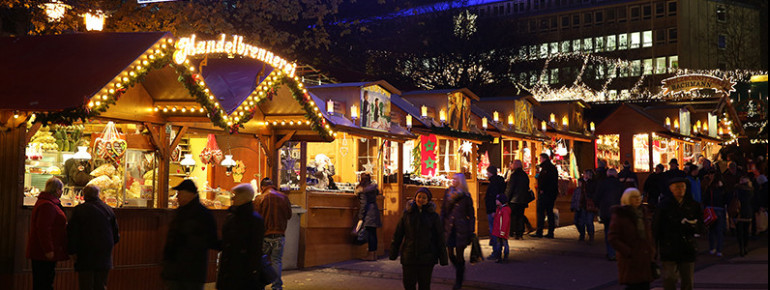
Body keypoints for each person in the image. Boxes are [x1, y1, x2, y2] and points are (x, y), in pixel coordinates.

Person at [162, 179, 220, 290]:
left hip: (191, 272)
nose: (177, 196)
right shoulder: (182, 212)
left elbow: (210, 240)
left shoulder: (202, 214)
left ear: (189, 194)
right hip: (178, 271)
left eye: (180, 193)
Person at [389, 187, 448, 290]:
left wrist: (443, 257)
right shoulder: (407, 214)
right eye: (419, 196)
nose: (421, 199)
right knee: (408, 284)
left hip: (427, 257)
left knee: (424, 285)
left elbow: (440, 237)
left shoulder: (433, 216)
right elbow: (398, 234)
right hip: (409, 256)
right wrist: (393, 252)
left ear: (428, 200)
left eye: (424, 197)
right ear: (415, 197)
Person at [653, 177, 704, 290]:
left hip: (687, 247)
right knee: (669, 278)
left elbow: (701, 225)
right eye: (677, 187)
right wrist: (655, 248)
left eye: (682, 187)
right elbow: (656, 227)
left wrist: (693, 226)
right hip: (669, 246)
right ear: (671, 189)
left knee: (687, 280)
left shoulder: (693, 205)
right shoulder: (663, 206)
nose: (680, 189)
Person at [67, 185, 119, 290]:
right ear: (98, 194)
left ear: (84, 195)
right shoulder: (108, 209)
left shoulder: (79, 210)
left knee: (86, 285)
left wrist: (72, 251)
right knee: (101, 285)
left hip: (85, 255)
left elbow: (72, 233)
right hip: (104, 255)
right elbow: (116, 235)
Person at [217, 184, 266, 289]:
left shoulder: (251, 220)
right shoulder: (233, 216)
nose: (232, 198)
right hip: (234, 272)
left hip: (241, 273)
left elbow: (255, 250)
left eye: (235, 195)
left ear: (244, 197)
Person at [608, 188, 655, 290]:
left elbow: (647, 234)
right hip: (631, 259)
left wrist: (651, 250)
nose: (638, 199)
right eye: (634, 197)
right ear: (627, 199)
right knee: (634, 285)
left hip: (644, 256)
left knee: (644, 284)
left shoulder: (643, 213)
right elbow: (613, 237)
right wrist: (628, 251)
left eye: (639, 196)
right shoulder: (620, 215)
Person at [27, 177, 68, 290]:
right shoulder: (48, 205)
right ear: (57, 190)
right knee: (44, 282)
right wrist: (48, 249)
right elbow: (43, 229)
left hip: (42, 251)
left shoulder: (46, 202)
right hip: (43, 252)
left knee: (43, 281)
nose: (61, 192)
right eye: (61, 190)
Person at [254, 178, 292, 290]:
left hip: (265, 236)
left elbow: (256, 217)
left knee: (261, 261)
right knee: (276, 261)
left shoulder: (260, 198)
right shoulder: (284, 197)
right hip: (279, 235)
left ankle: (260, 285)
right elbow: (289, 215)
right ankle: (277, 286)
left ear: (262, 187)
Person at [441, 173, 475, 290]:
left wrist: (471, 230)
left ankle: (459, 280)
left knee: (460, 255)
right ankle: (460, 269)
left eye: (455, 179)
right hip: (449, 228)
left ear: (460, 181)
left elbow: (471, 214)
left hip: (461, 228)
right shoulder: (448, 193)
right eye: (453, 179)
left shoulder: (466, 196)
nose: (453, 181)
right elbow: (443, 210)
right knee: (450, 254)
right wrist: (441, 225)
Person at [596, 168, 624, 261]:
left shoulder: (602, 184)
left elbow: (597, 197)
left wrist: (599, 206)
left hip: (605, 211)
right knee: (617, 232)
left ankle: (611, 252)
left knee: (608, 230)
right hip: (617, 211)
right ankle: (617, 252)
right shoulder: (620, 184)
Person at [354, 173, 382, 261]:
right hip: (374, 210)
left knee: (370, 234)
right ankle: (374, 254)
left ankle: (370, 254)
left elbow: (364, 204)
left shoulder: (362, 190)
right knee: (373, 234)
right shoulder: (372, 189)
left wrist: (361, 217)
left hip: (369, 213)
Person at [532, 153, 559, 239]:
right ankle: (550, 232)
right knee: (549, 212)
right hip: (552, 193)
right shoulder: (552, 168)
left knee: (541, 212)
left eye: (540, 159)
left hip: (545, 193)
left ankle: (540, 231)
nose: (539, 160)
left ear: (544, 159)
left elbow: (544, 180)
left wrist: (541, 189)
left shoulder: (546, 168)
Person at [701, 168, 727, 257]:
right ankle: (717, 249)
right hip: (718, 208)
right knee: (717, 230)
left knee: (713, 230)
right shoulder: (719, 185)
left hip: (712, 208)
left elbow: (705, 197)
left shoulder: (709, 185)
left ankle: (714, 248)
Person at [505, 160, 531, 240]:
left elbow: (510, 188)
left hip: (514, 199)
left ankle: (513, 232)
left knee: (513, 216)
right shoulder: (525, 175)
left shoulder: (514, 175)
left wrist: (506, 198)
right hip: (522, 199)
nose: (512, 165)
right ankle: (519, 233)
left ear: (516, 165)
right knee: (520, 216)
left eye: (513, 164)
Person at [484, 166, 505, 258]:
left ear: (490, 173)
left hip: (493, 210)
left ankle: (496, 251)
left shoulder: (493, 184)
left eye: (487, 172)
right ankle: (499, 249)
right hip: (498, 209)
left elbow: (492, 197)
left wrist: (492, 210)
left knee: (494, 230)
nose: (486, 174)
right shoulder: (500, 182)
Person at [572, 169, 597, 242]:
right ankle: (583, 234)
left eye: (585, 174)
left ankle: (590, 235)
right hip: (582, 205)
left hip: (589, 204)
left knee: (589, 222)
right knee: (581, 222)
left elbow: (594, 193)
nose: (584, 175)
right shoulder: (581, 183)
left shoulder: (592, 183)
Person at [733, 175, 755, 257]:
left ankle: (741, 247)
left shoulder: (737, 189)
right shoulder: (751, 190)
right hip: (748, 212)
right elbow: (754, 201)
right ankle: (745, 247)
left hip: (739, 212)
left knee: (739, 232)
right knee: (746, 231)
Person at [492, 194, 511, 263]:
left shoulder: (505, 210)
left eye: (497, 200)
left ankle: (505, 256)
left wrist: (503, 231)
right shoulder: (499, 209)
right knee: (499, 244)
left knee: (504, 243)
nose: (496, 201)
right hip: (498, 231)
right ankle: (499, 257)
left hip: (502, 231)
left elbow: (505, 222)